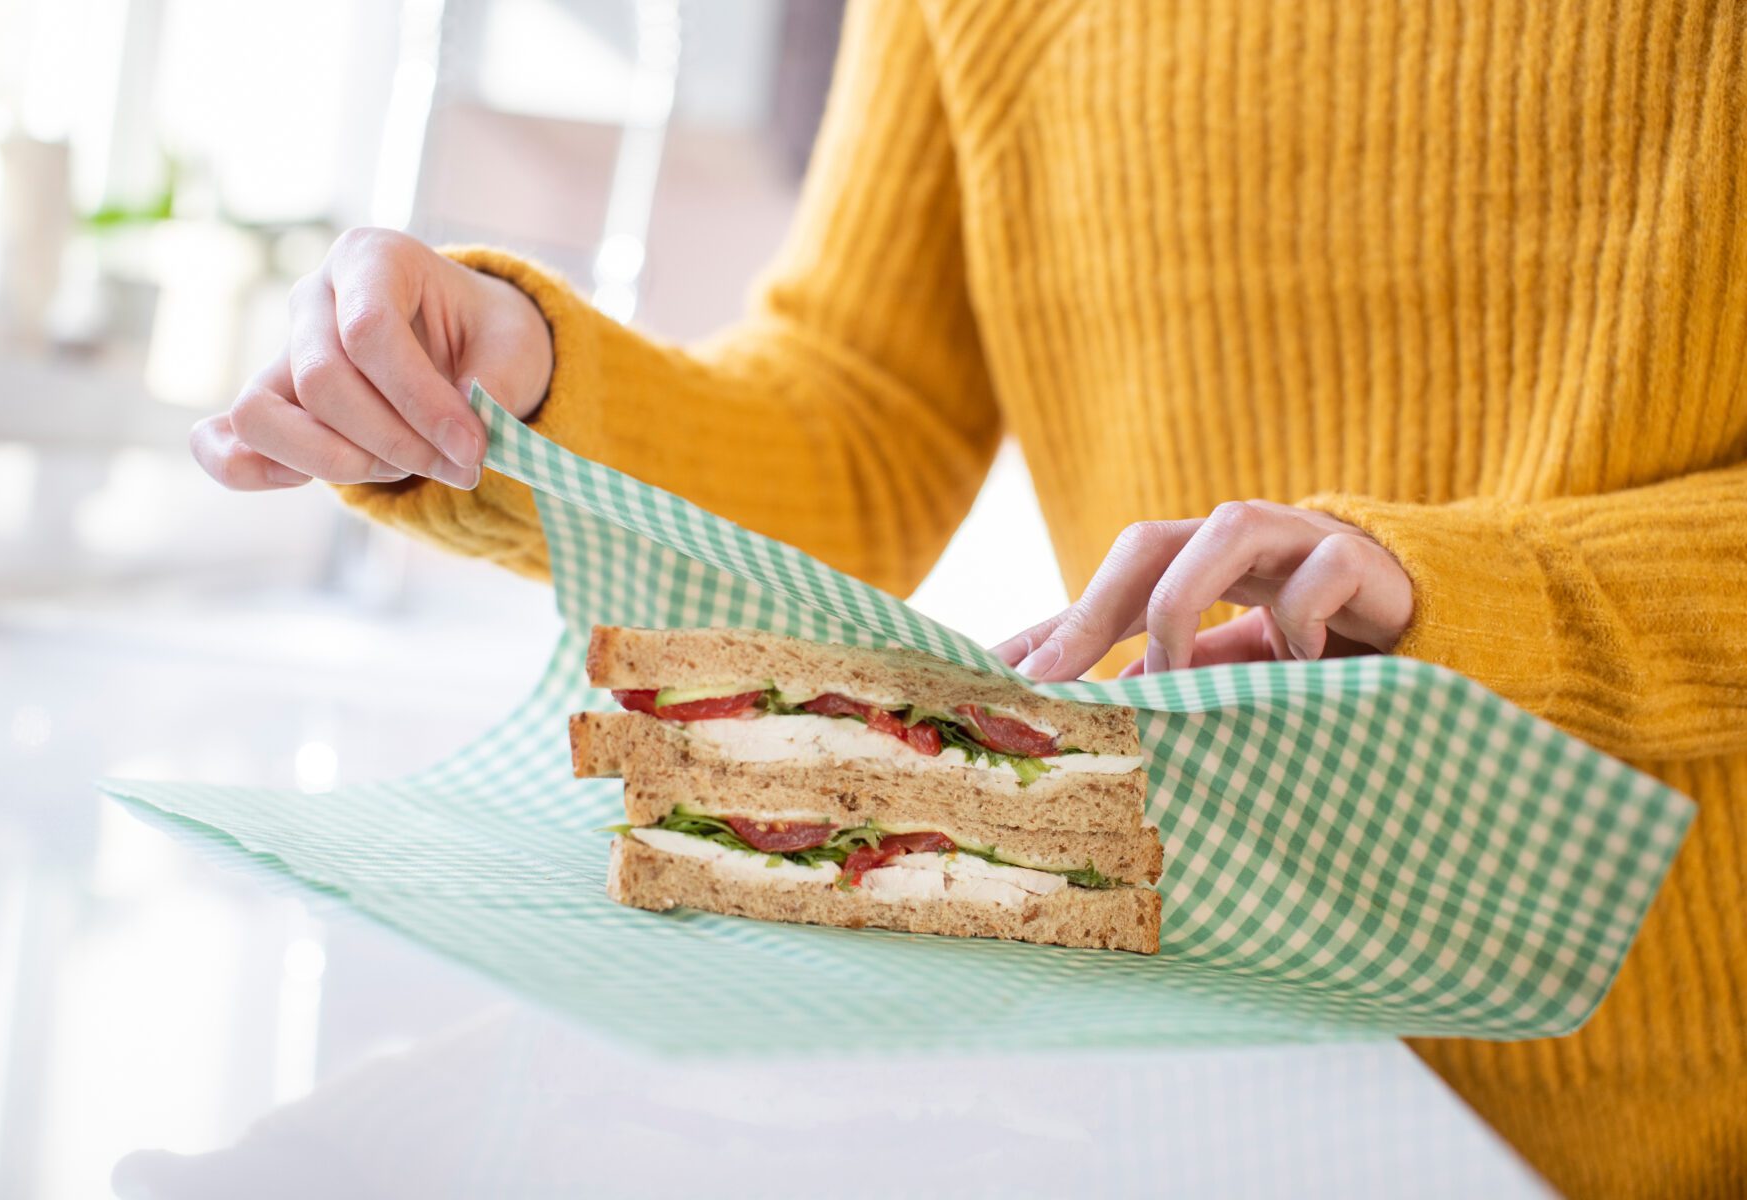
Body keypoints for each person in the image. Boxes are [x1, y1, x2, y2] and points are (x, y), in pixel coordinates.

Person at [191, 2, 1747, 1194]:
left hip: (1674, 1100)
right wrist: (522, 381)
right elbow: (860, 413)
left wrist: (1471, 595)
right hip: (1192, 1053)